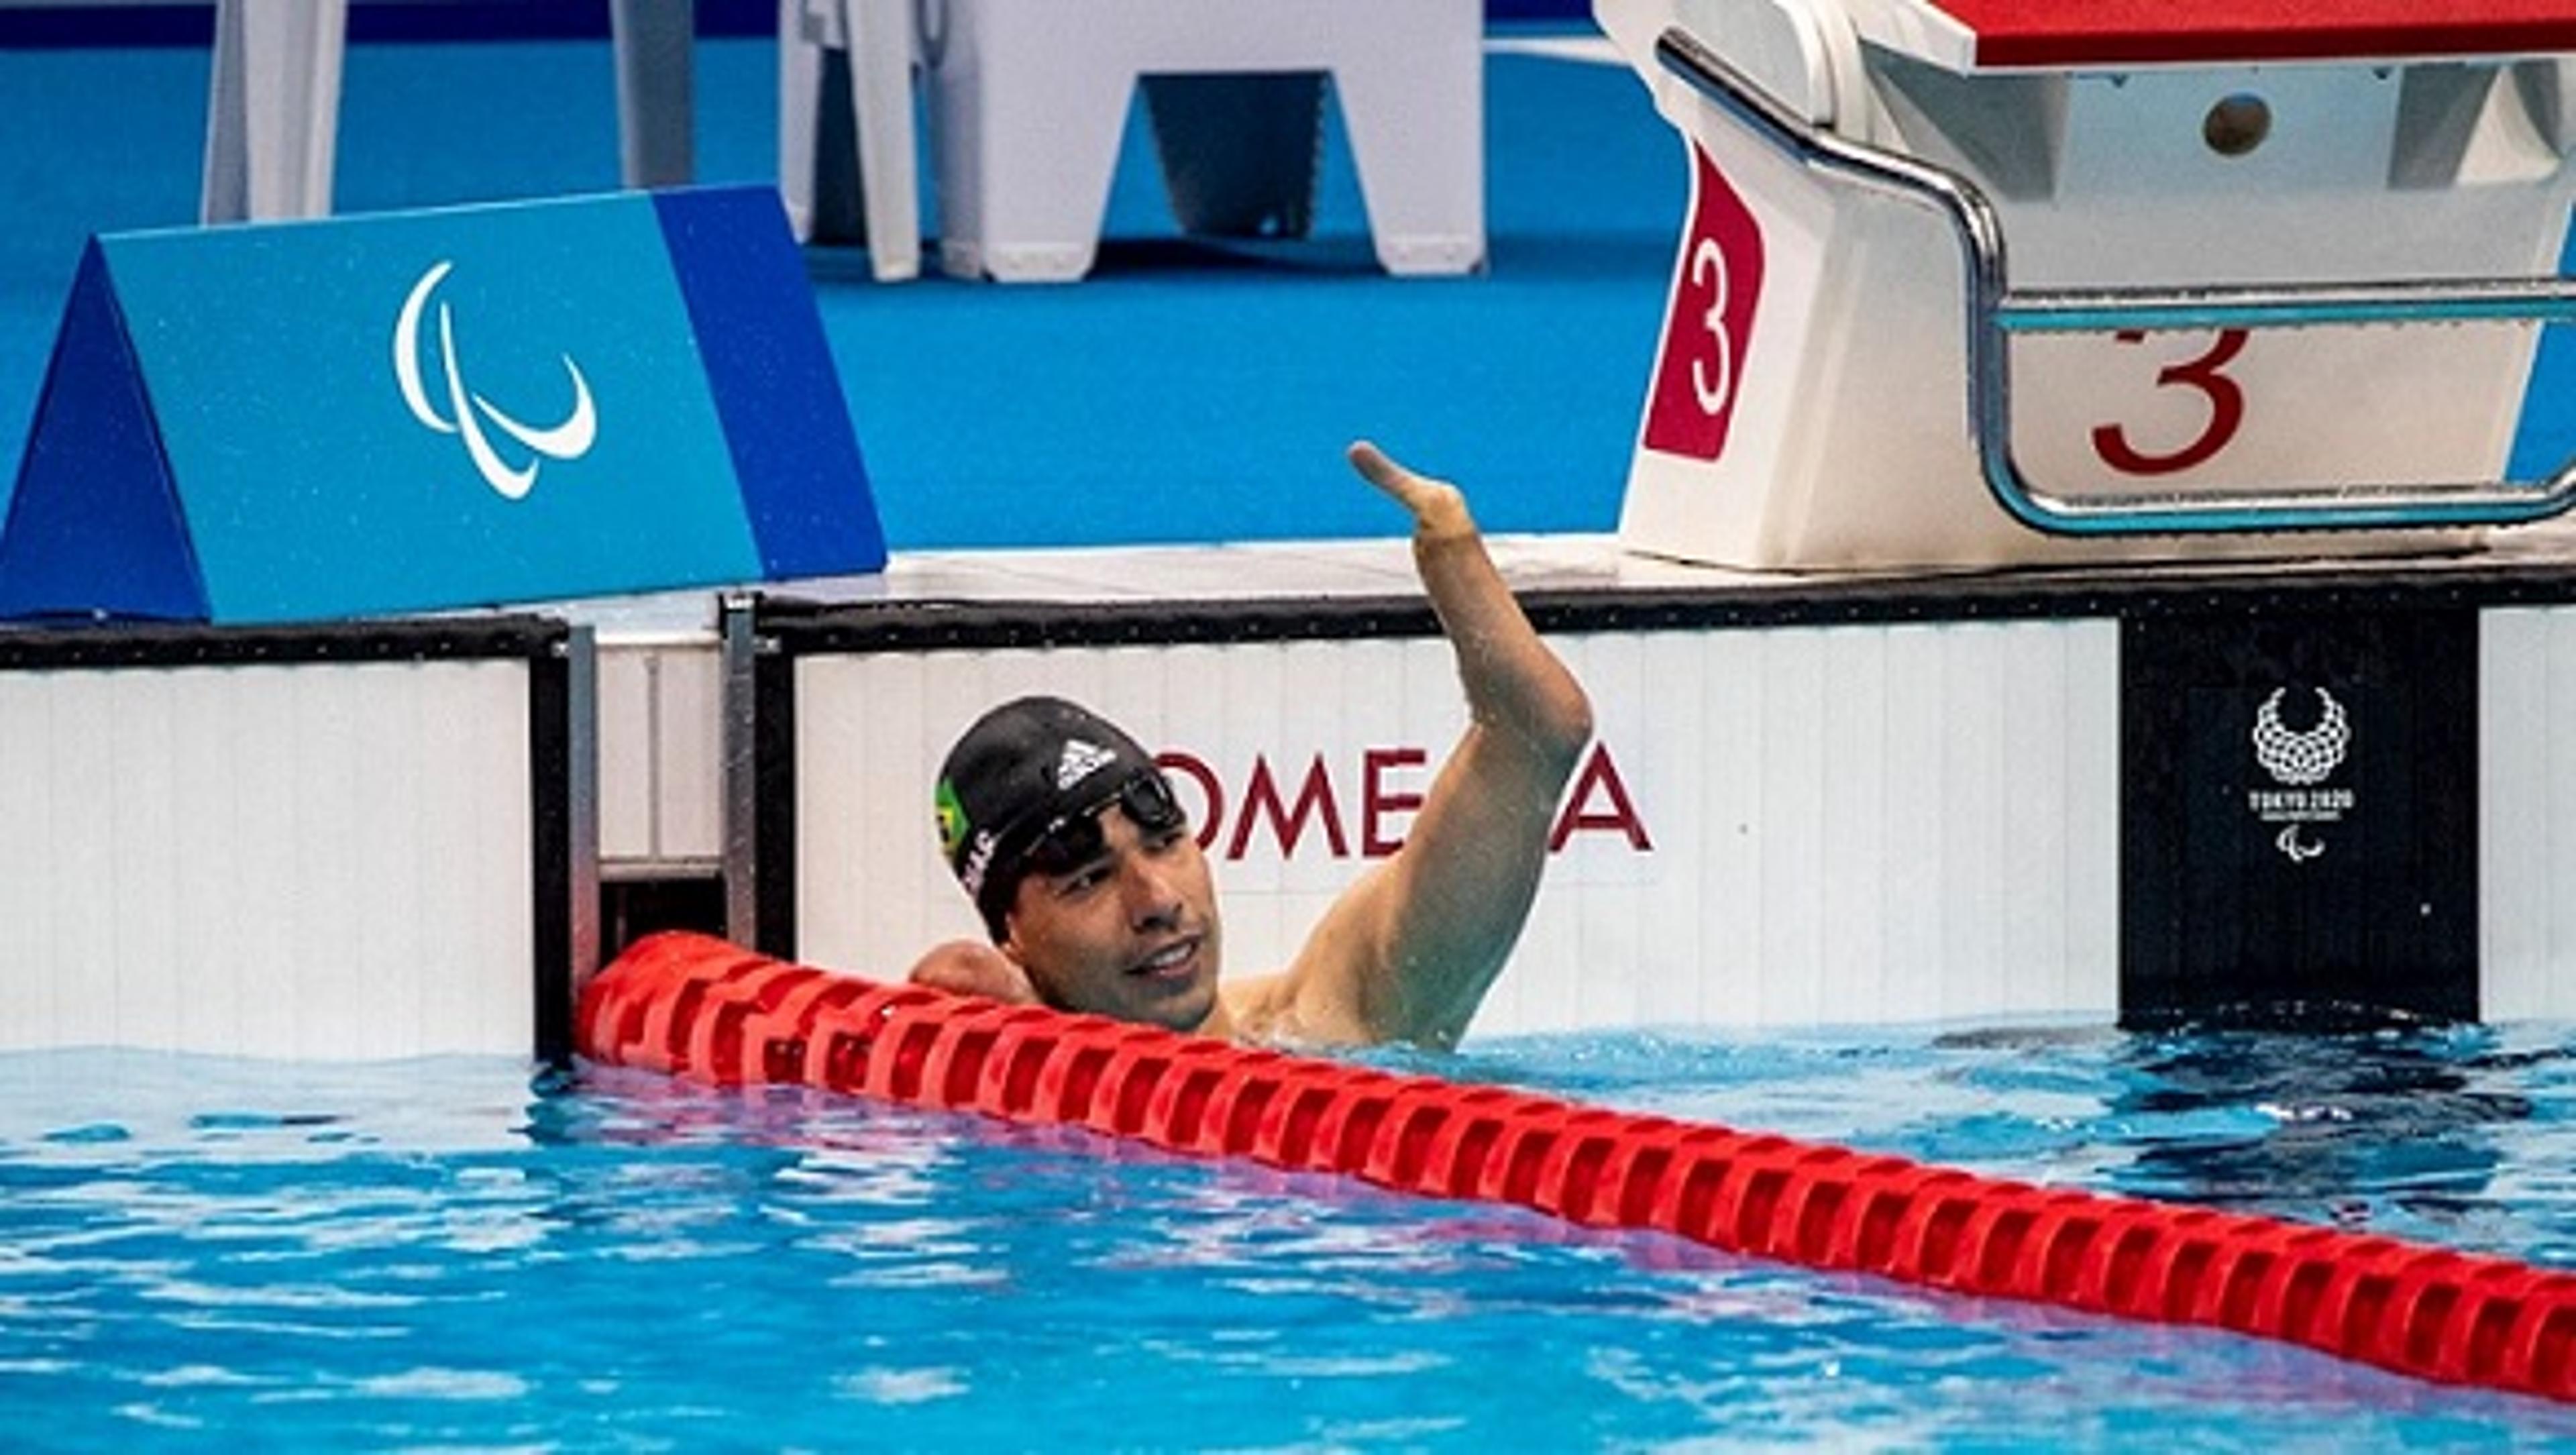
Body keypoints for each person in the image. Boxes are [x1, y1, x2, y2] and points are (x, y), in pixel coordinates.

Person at [906, 441, 1593, 1048]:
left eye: (1163, 843)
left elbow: (1537, 736)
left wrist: (1453, 553)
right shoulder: (1002, 1083)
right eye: (1088, 881)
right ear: (1012, 937)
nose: (1157, 901)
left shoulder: (1341, 1026)